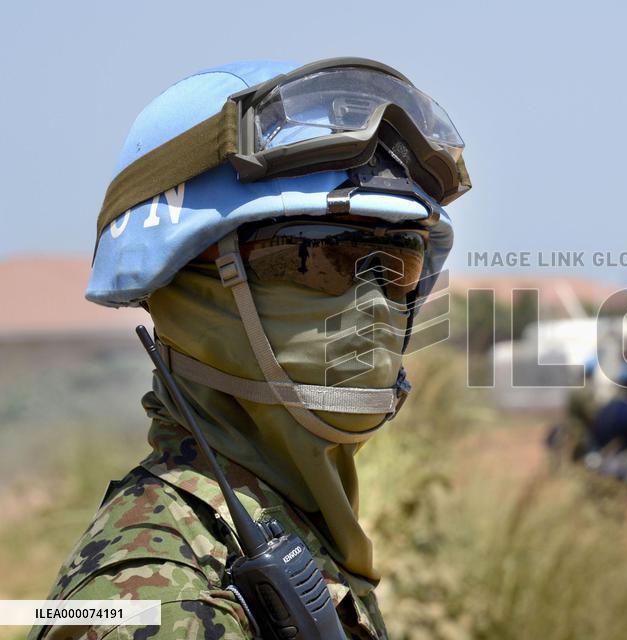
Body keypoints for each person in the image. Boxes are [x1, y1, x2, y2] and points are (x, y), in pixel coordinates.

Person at [30, 57, 470, 640]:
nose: (375, 306)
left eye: (399, 267)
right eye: (317, 257)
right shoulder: (162, 599)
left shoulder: (287, 524)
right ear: (189, 285)